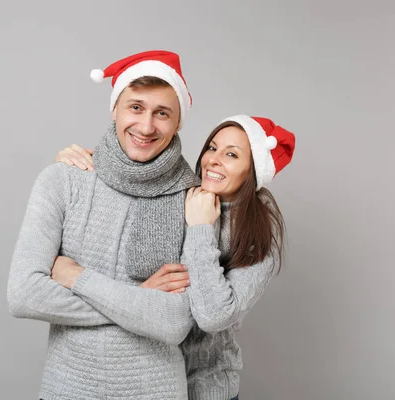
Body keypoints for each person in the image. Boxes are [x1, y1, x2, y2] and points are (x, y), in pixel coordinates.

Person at [54, 114, 296, 399]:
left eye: (231, 154)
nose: (214, 160)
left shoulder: (258, 231)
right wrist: (83, 166)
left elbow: (213, 316)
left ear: (253, 171)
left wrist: (201, 227)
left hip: (209, 390)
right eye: (212, 147)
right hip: (152, 382)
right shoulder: (179, 194)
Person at [7, 50, 201, 400]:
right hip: (68, 388)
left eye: (162, 113)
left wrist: (78, 278)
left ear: (177, 123)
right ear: (115, 109)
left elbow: (174, 323)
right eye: (136, 107)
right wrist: (140, 300)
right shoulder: (63, 180)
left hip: (155, 391)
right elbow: (24, 295)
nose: (146, 126)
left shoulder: (194, 200)